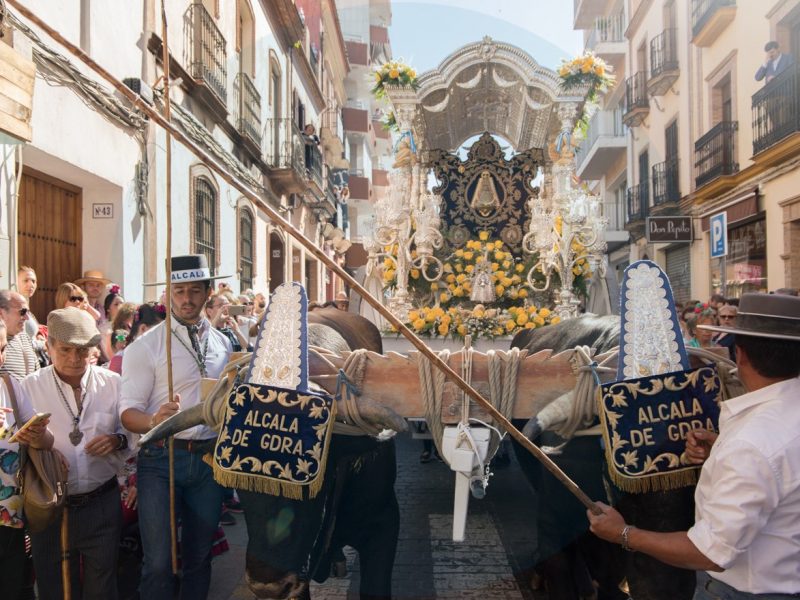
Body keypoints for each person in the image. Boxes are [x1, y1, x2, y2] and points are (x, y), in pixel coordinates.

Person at [587, 292, 800, 598]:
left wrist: (622, 533)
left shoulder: (750, 445)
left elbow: (711, 552)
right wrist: (720, 453)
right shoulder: (757, 438)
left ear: (739, 354)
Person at [120, 254, 232, 600]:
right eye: (179, 291)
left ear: (208, 293)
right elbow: (127, 413)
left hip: (209, 461)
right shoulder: (146, 346)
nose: (187, 299)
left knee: (199, 557)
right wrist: (155, 420)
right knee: (158, 561)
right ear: (168, 294)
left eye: (195, 291)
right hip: (160, 460)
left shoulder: (224, 345)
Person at [22, 307, 131, 600]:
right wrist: (39, 448)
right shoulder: (29, 388)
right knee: (52, 586)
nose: (74, 359)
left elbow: (132, 432)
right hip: (50, 506)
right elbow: (15, 445)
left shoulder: (113, 383)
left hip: (101, 500)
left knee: (102, 586)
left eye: (82, 351)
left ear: (93, 350)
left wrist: (117, 440)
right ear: (50, 347)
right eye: (65, 350)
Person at [0, 318, 54, 600]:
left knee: (11, 586)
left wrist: (36, 433)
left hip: (9, 515)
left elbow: (47, 441)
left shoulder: (10, 384)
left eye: (1, 349)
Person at [0, 291, 38, 381]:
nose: (27, 317)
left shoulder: (25, 337)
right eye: (23, 312)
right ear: (1, 313)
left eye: (28, 312)